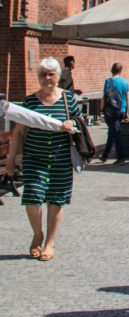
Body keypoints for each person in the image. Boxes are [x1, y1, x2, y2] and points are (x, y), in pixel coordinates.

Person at [4, 57, 80, 261]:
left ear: (58, 76)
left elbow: (79, 124)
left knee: (57, 199)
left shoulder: (68, 99)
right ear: (38, 77)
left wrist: (70, 122)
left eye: (51, 74)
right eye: (43, 74)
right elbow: (19, 132)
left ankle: (50, 243)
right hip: (34, 158)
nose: (47, 78)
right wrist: (11, 158)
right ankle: (37, 234)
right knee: (33, 197)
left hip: (61, 158)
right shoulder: (30, 101)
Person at [100, 63, 129, 165]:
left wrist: (101, 109)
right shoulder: (125, 82)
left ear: (111, 70)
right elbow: (127, 97)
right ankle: (105, 155)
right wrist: (127, 111)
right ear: (120, 71)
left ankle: (121, 157)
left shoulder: (108, 81)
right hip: (121, 109)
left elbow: (104, 96)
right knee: (112, 132)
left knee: (116, 133)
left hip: (111, 111)